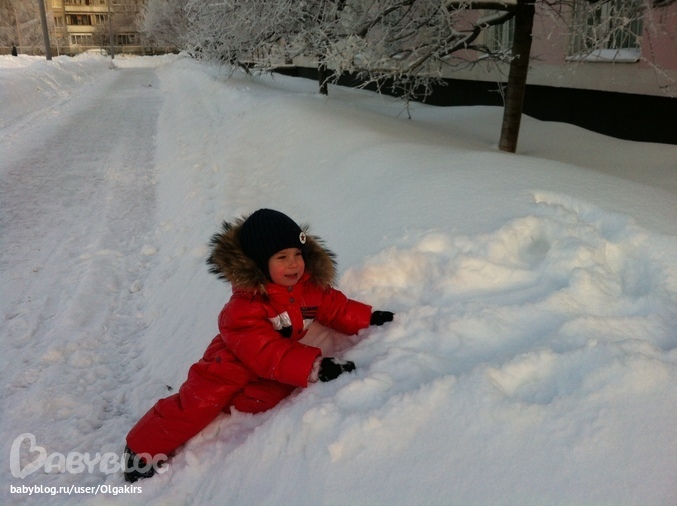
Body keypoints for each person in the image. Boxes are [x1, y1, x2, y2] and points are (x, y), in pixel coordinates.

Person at [124, 209, 394, 482]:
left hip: (269, 362)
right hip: (229, 362)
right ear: (260, 264)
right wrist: (315, 367)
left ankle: (234, 407)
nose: (294, 264)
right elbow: (266, 352)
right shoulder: (244, 307)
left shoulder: (307, 288)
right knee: (199, 403)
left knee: (270, 396)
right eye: (282, 257)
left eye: (297, 254)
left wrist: (368, 318)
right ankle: (141, 450)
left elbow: (335, 307)